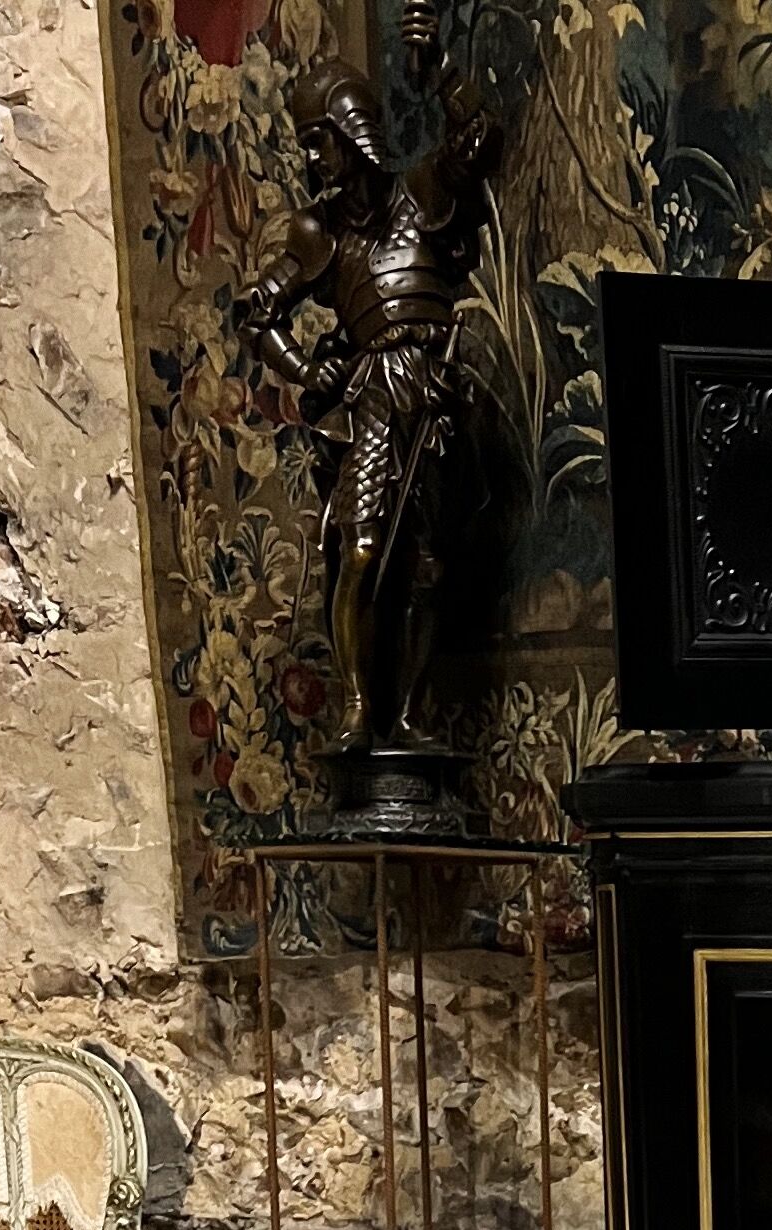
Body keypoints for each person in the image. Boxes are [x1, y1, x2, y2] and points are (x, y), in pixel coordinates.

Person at [235, 32, 500, 773]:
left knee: (426, 570)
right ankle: (357, 708)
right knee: (360, 549)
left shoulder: (421, 195)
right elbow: (259, 314)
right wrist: (307, 374)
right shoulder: (323, 234)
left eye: (320, 143)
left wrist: (439, 67)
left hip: (436, 392)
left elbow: (480, 136)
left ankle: (408, 714)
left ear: (353, 135)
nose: (314, 160)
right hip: (374, 398)